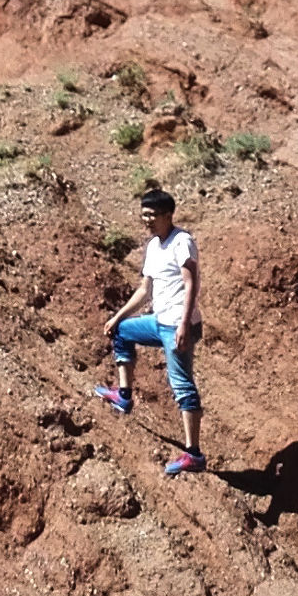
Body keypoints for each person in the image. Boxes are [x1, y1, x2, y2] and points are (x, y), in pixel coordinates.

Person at [93, 186, 205, 476]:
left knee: (181, 384)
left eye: (152, 214)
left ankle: (194, 454)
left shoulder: (182, 241)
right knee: (123, 332)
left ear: (168, 215)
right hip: (159, 322)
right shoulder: (154, 246)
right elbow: (145, 290)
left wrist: (183, 324)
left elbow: (192, 283)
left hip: (179, 326)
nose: (147, 219)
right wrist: (117, 316)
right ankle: (124, 395)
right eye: (144, 214)